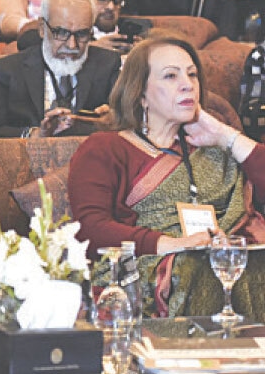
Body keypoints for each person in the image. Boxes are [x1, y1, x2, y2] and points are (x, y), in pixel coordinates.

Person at [68, 33, 265, 320]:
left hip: (226, 260)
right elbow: (90, 229)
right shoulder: (105, 148)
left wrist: (225, 135)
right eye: (170, 76)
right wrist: (174, 244)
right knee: (199, 267)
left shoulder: (215, 149)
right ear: (141, 94)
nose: (188, 84)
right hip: (144, 270)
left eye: (193, 75)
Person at [0, 0, 121, 138]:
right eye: (61, 33)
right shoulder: (5, 71)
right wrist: (34, 134)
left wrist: (113, 120)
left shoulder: (108, 64)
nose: (72, 45)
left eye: (82, 34)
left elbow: (132, 122)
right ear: (42, 29)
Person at [82, 0, 148, 55]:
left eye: (116, 0)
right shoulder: (73, 36)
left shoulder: (140, 30)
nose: (111, 7)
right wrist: (92, 49)